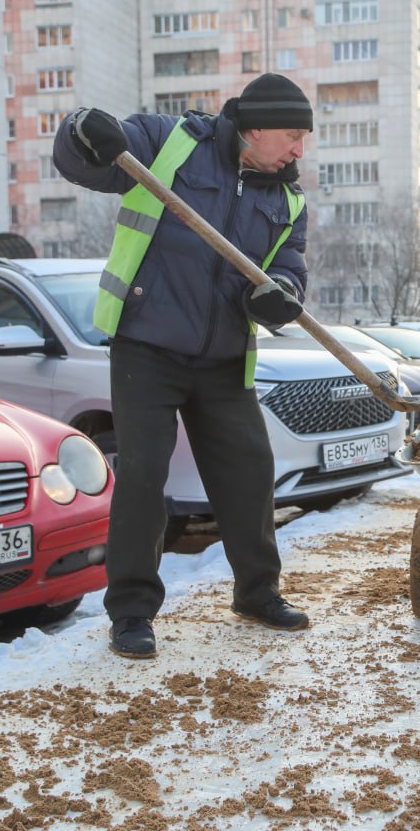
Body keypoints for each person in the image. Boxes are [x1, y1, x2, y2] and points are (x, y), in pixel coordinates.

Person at [52, 73, 315, 658]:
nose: (301, 149)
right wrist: (80, 133)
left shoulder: (287, 198)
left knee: (250, 473)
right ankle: (131, 613)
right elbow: (88, 163)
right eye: (294, 135)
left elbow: (291, 264)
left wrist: (282, 292)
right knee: (144, 475)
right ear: (255, 128)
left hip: (224, 357)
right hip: (147, 343)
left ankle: (257, 592)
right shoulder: (169, 142)